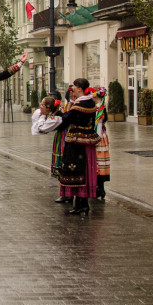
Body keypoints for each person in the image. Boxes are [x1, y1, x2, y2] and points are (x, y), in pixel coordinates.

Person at [54, 79, 101, 215]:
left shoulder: (81, 104)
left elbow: (67, 118)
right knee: (85, 171)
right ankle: (82, 203)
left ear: (80, 88)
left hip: (77, 142)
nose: (72, 88)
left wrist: (55, 112)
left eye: (74, 86)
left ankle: (81, 204)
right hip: (87, 141)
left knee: (77, 171)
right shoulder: (89, 102)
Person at [93, 86, 110, 200]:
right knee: (100, 162)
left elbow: (98, 124)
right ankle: (100, 188)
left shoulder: (99, 108)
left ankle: (99, 188)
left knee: (98, 162)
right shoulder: (100, 107)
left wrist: (96, 138)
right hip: (102, 136)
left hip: (98, 136)